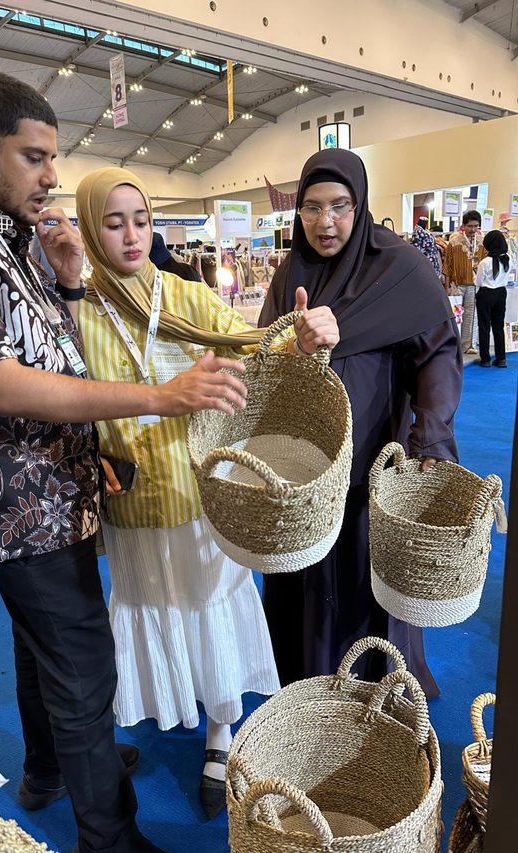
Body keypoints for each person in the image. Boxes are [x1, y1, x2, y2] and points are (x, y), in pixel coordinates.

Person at [0, 72, 251, 853]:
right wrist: (158, 397)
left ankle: (49, 766)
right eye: (35, 156)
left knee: (38, 642)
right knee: (84, 668)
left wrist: (72, 286)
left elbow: (56, 358)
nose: (51, 175)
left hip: (59, 491)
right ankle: (108, 836)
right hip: (18, 506)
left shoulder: (13, 238)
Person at [74, 166, 339, 819]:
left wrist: (301, 335)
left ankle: (221, 732)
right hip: (131, 500)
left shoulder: (183, 295)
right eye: (113, 222)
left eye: (141, 219)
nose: (132, 235)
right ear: (88, 227)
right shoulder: (77, 313)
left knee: (213, 599)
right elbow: (68, 404)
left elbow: (252, 343)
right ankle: (179, 701)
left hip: (201, 491)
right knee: (150, 600)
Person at [258, 149, 463, 698]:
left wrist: (431, 435)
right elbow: (264, 358)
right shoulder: (290, 275)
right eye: (311, 208)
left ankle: (376, 695)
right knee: (303, 580)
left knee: (367, 579)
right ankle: (311, 697)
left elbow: (438, 351)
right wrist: (295, 344)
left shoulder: (400, 269)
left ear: (361, 203)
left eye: (340, 206)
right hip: (305, 470)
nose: (326, 223)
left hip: (373, 460)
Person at [443, 209, 485, 354]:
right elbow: (447, 265)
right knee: (454, 315)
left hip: (474, 285)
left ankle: (468, 345)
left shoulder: (482, 242)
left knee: (471, 315)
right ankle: (452, 345)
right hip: (456, 284)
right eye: (470, 226)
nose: (473, 229)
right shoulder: (453, 243)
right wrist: (447, 286)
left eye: (476, 226)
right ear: (463, 226)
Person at [475, 230, 513, 368]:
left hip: (486, 294)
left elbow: (478, 282)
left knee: (484, 327)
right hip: (501, 293)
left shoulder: (485, 262)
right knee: (498, 326)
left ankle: (485, 359)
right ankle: (501, 359)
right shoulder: (509, 258)